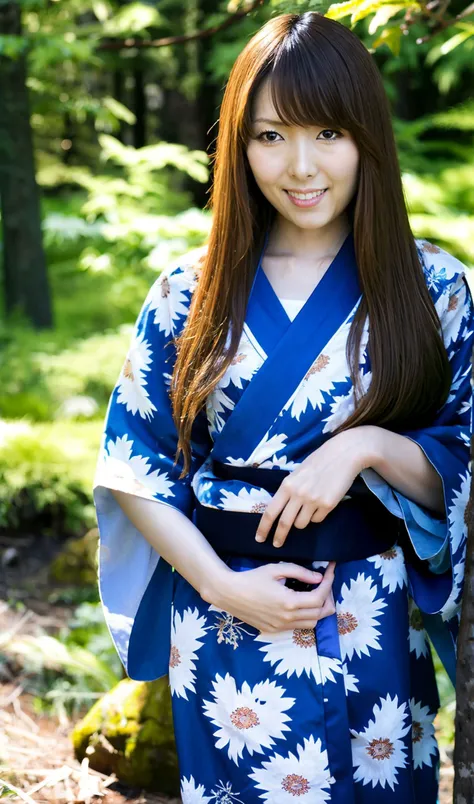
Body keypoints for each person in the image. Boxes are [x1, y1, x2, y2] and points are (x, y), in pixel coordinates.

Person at [93, 11, 473, 803]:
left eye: (327, 132)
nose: (300, 166)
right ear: (238, 145)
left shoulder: (433, 286)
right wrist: (224, 587)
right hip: (226, 624)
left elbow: (460, 463)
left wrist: (364, 444)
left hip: (374, 624)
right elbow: (134, 460)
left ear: (368, 136)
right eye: (270, 136)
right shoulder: (186, 291)